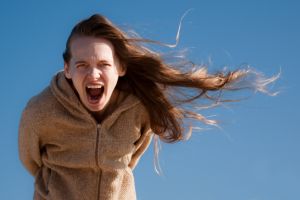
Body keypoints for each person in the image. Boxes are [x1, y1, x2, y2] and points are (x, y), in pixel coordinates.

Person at [18, 14, 277, 200]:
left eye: (104, 65)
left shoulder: (138, 108)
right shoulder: (41, 111)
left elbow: (132, 157)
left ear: (120, 68)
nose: (94, 74)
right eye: (82, 64)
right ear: (67, 69)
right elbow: (31, 161)